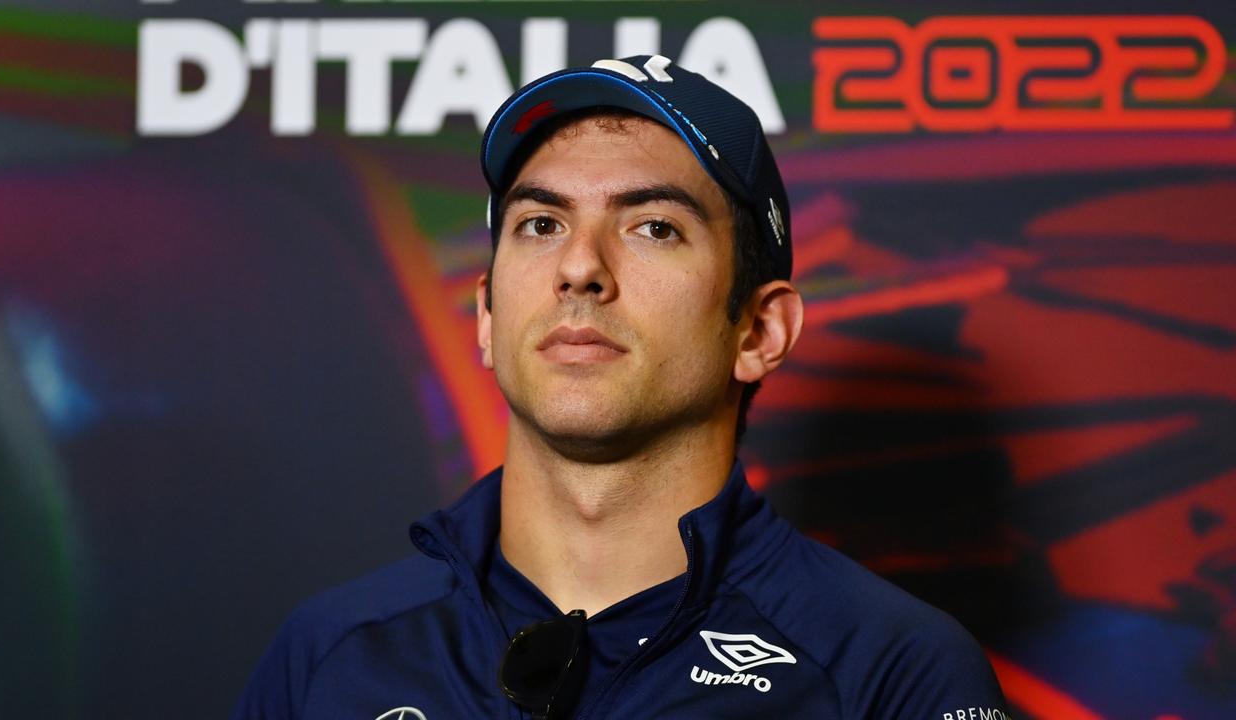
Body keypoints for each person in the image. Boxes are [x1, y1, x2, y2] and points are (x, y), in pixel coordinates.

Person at [234, 55, 1010, 720]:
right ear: (487, 315)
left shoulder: (894, 671)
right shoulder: (330, 656)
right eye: (541, 224)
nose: (579, 267)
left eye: (653, 228)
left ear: (760, 332)